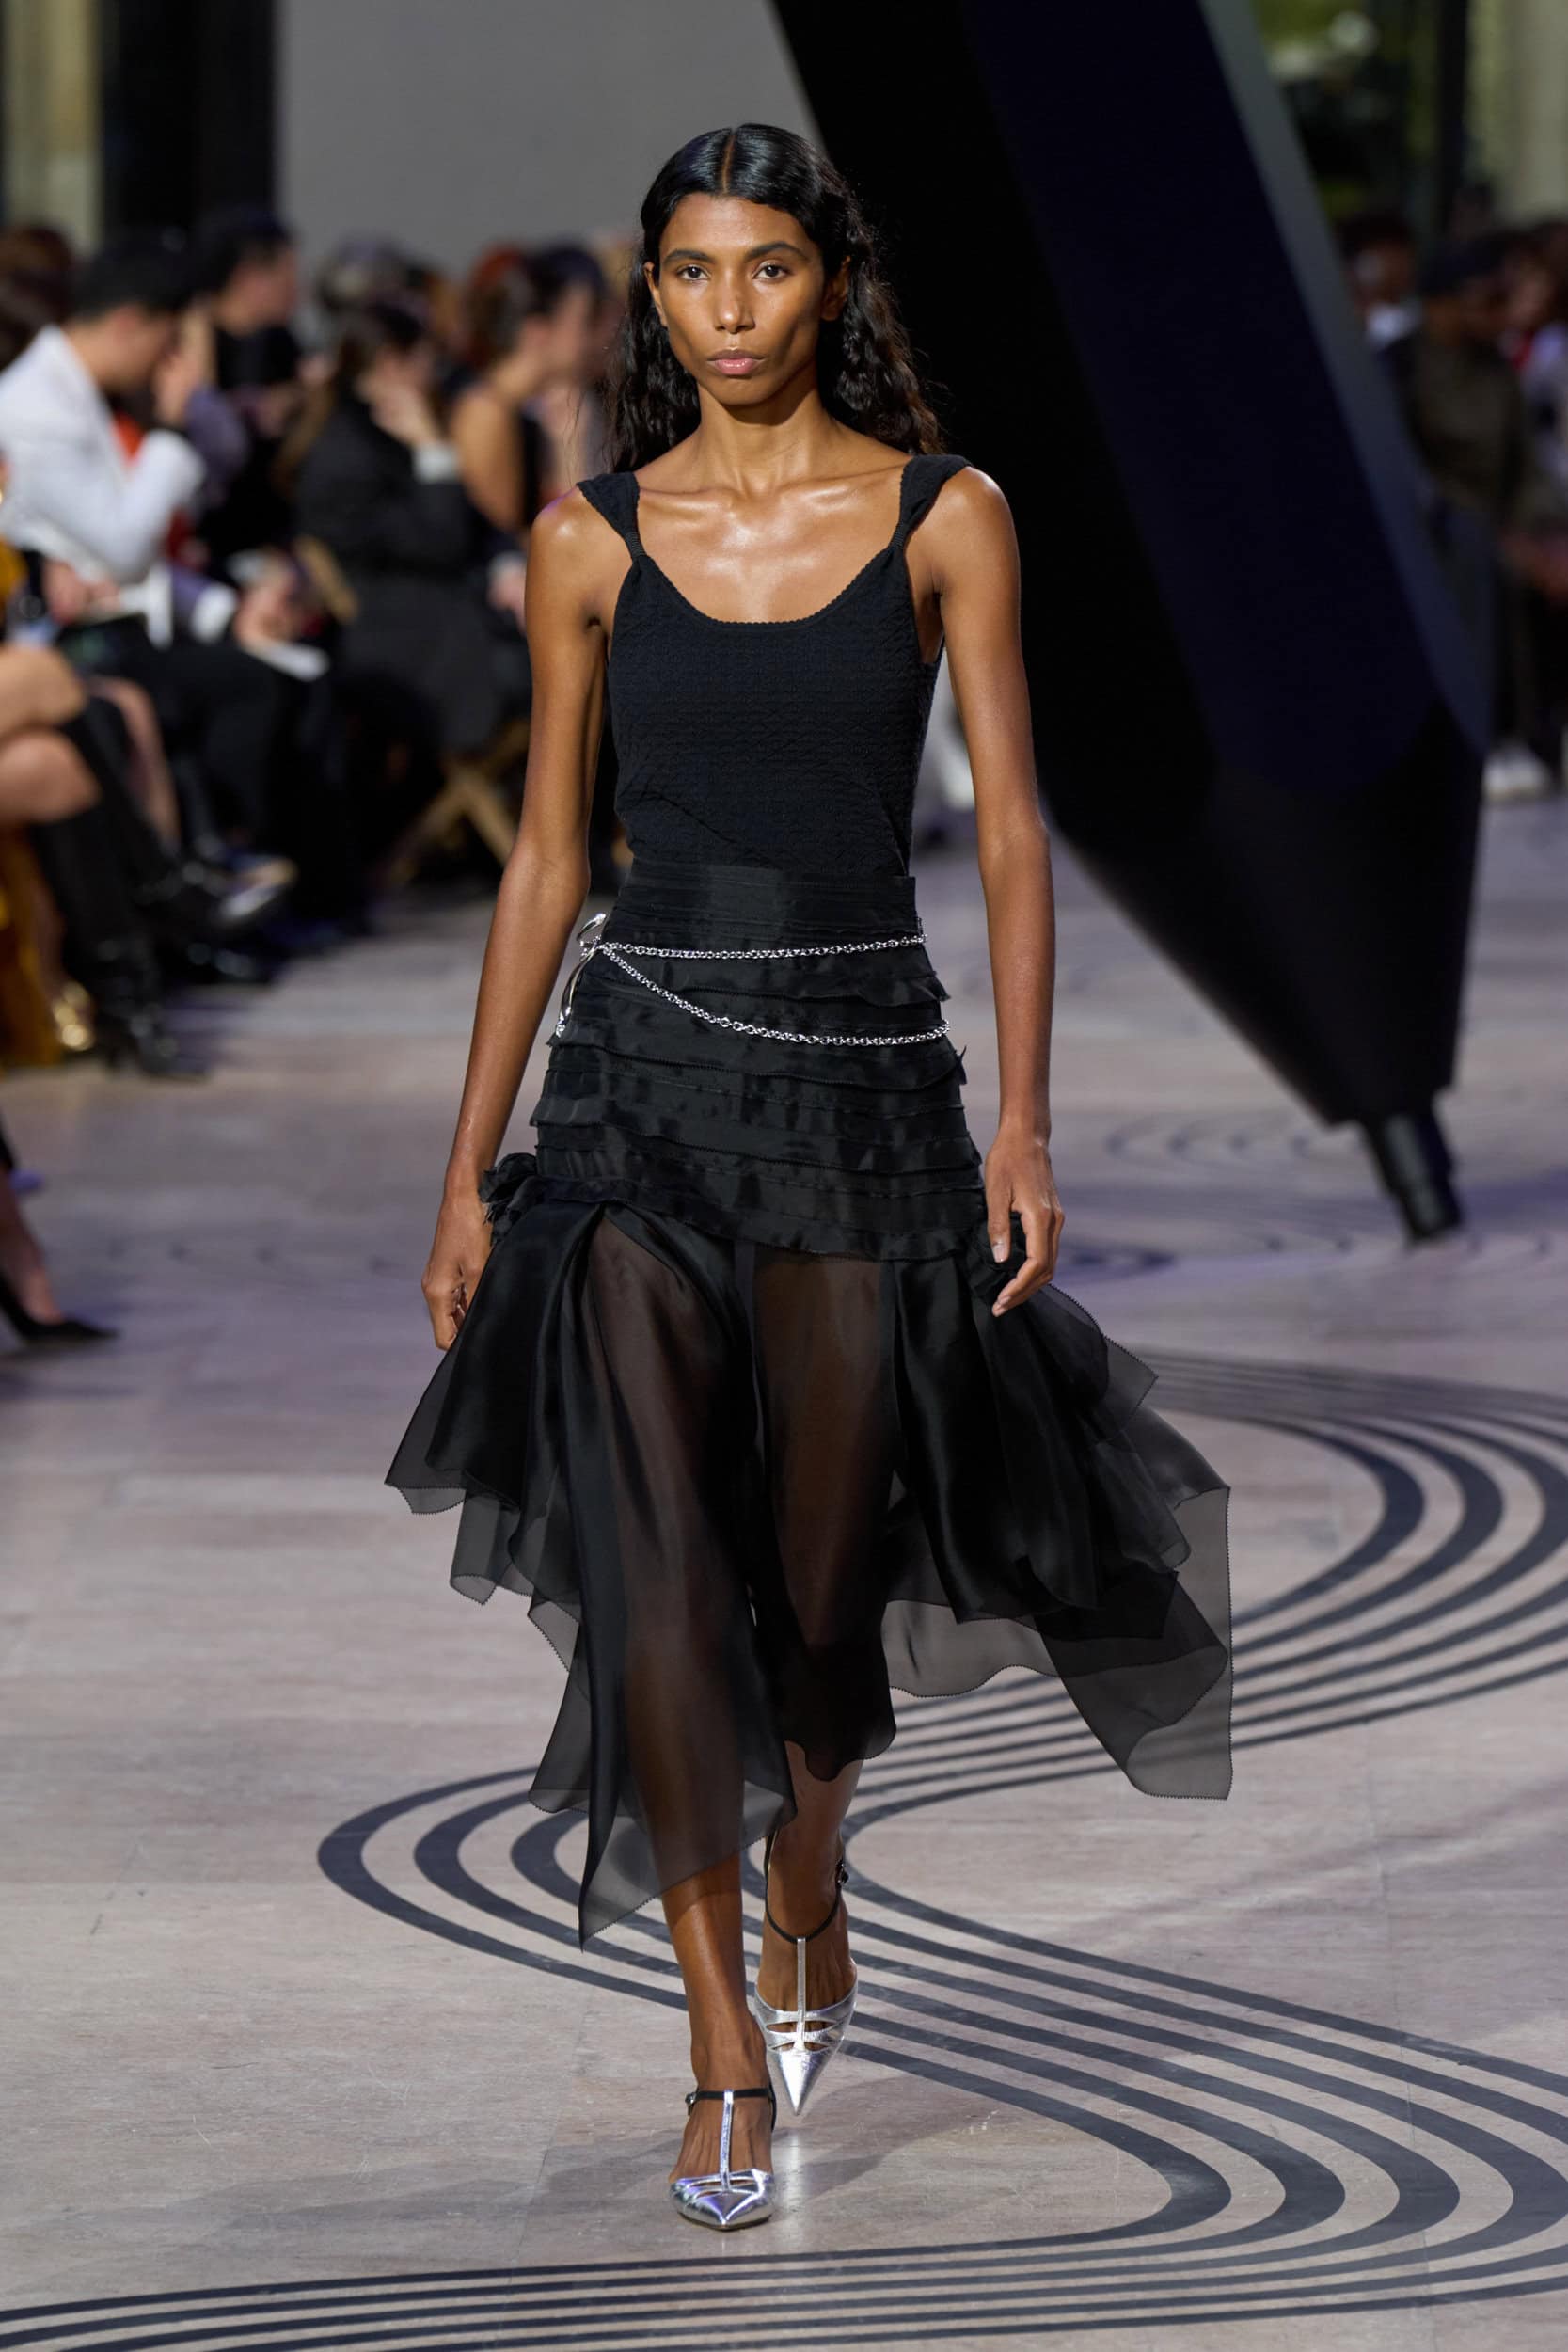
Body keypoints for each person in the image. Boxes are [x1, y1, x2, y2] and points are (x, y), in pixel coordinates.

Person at [384, 123, 1233, 2232]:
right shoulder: (587, 541)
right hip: (632, 1101)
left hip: (860, 1099)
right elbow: (545, 861)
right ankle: (711, 2046)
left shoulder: (947, 515)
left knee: (824, 1583)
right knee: (658, 1565)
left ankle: (812, 1872)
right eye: (692, 273)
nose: (730, 310)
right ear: (653, 295)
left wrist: (1020, 1120)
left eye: (765, 268)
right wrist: (469, 1165)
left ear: (827, 282)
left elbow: (1012, 830)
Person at [287, 297, 531, 759]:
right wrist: (433, 449)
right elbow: (442, 542)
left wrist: (507, 569)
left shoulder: (384, 432)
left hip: (460, 625)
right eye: (425, 362)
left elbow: (477, 523)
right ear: (390, 364)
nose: (434, 376)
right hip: (414, 649)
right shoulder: (344, 457)